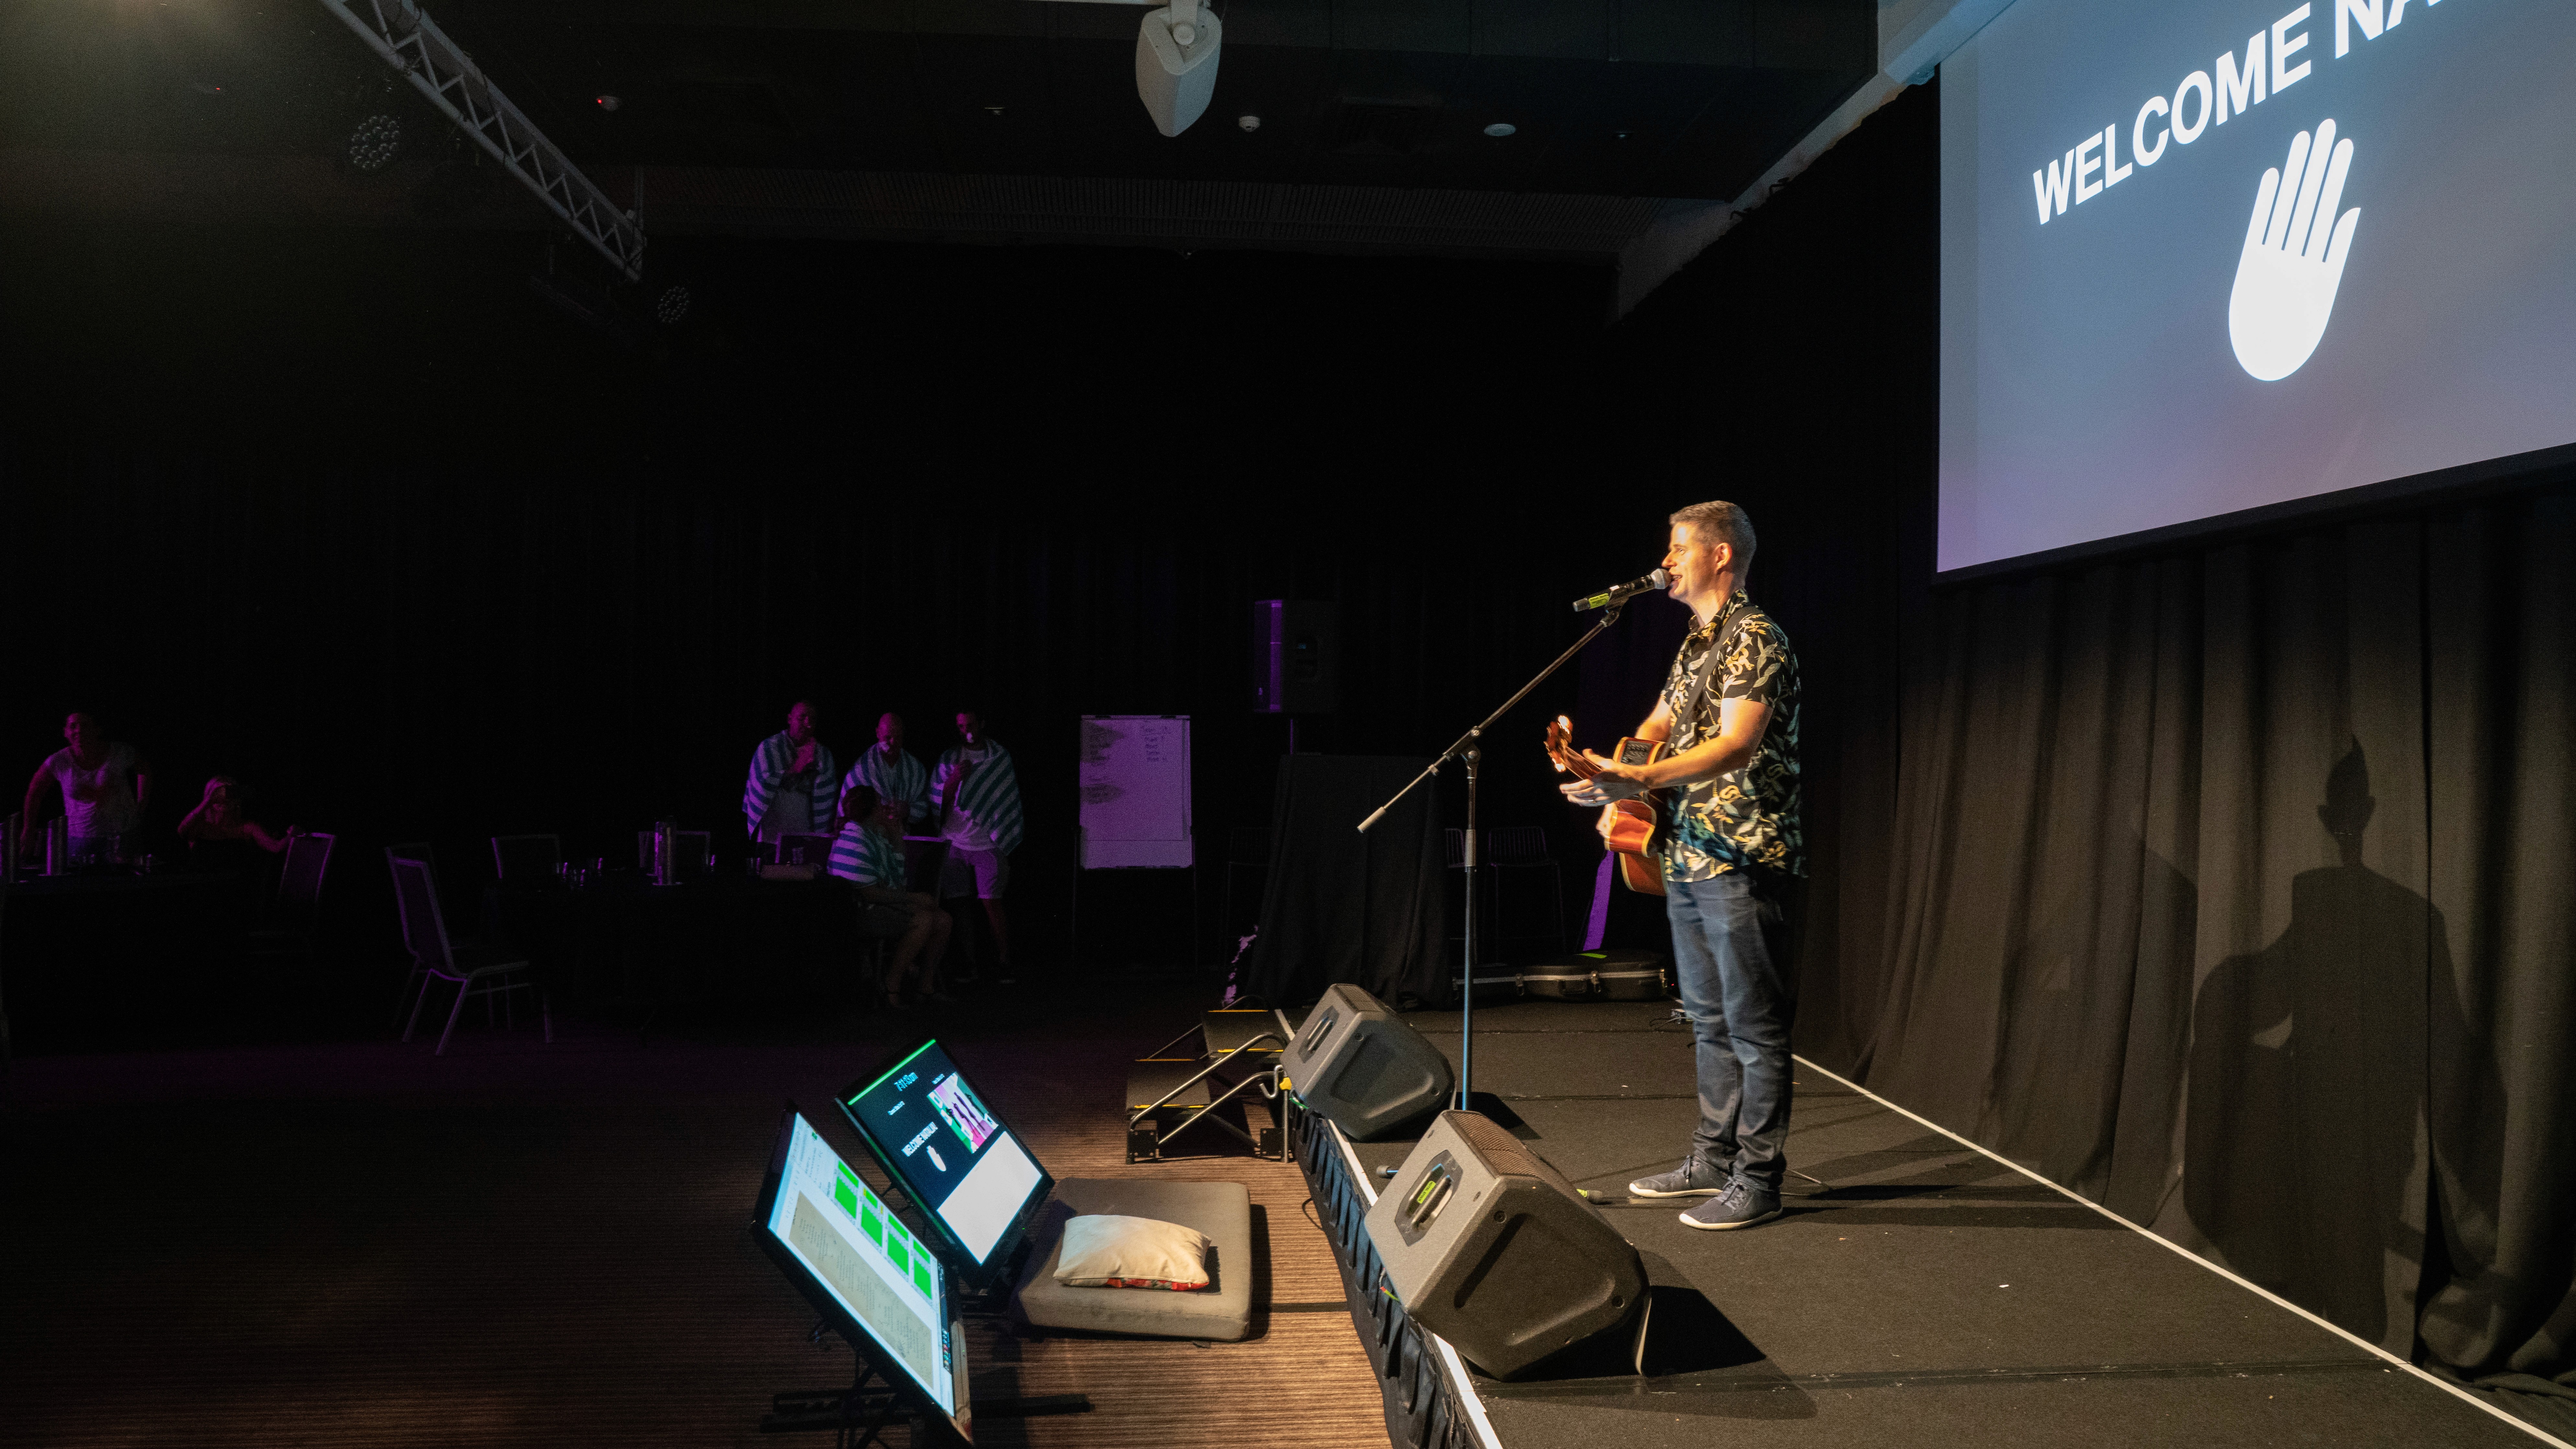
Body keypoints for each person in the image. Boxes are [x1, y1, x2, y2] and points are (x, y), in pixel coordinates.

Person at [1561, 500, 1804, 1231]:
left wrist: (1638, 780)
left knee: (1752, 1025)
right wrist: (1619, 783)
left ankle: (1758, 1179)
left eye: (1677, 549)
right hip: (1688, 852)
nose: (1665, 562)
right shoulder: (1698, 642)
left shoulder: (1757, 637)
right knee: (1704, 1017)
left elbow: (1734, 744)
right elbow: (1659, 725)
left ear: (1720, 555)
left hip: (1741, 853)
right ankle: (1710, 1156)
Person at [829, 783, 953, 1009]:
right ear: (870, 811)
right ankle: (890, 986)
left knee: (943, 920)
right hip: (860, 913)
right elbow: (870, 894)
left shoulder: (871, 836)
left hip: (875, 905)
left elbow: (896, 877)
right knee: (922, 919)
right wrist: (913, 899)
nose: (884, 808)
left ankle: (925, 988)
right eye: (879, 804)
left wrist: (896, 838)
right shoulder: (854, 840)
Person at [933, 709, 1022, 984]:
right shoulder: (949, 759)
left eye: (970, 725)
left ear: (982, 724)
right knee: (959, 905)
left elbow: (1005, 799)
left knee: (992, 903)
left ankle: (1004, 961)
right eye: (961, 726)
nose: (966, 731)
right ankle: (969, 966)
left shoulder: (998, 757)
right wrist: (955, 779)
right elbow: (937, 800)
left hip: (987, 842)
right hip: (956, 841)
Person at [20, 711, 151, 866]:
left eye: (86, 726)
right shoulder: (59, 761)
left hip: (124, 838)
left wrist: (143, 798)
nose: (79, 730)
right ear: (66, 733)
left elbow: (144, 769)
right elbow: (35, 791)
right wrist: (29, 829)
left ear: (98, 730)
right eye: (73, 726)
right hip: (80, 841)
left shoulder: (119, 753)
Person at [742, 700, 839, 848]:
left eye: (812, 719)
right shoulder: (769, 747)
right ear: (790, 719)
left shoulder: (823, 755)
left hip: (806, 836)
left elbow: (828, 794)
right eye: (802, 718)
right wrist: (800, 766)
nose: (807, 724)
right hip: (772, 836)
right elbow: (763, 784)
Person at [175, 775, 295, 871]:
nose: (224, 798)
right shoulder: (201, 826)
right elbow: (182, 832)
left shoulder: (246, 827)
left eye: (229, 793)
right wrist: (209, 801)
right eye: (218, 793)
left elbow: (276, 848)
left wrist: (292, 835)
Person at [843, 713, 932, 831]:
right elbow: (847, 810)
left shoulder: (915, 769)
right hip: (870, 838)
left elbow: (925, 805)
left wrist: (908, 810)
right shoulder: (862, 769)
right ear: (878, 733)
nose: (893, 743)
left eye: (898, 737)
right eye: (888, 737)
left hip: (900, 839)